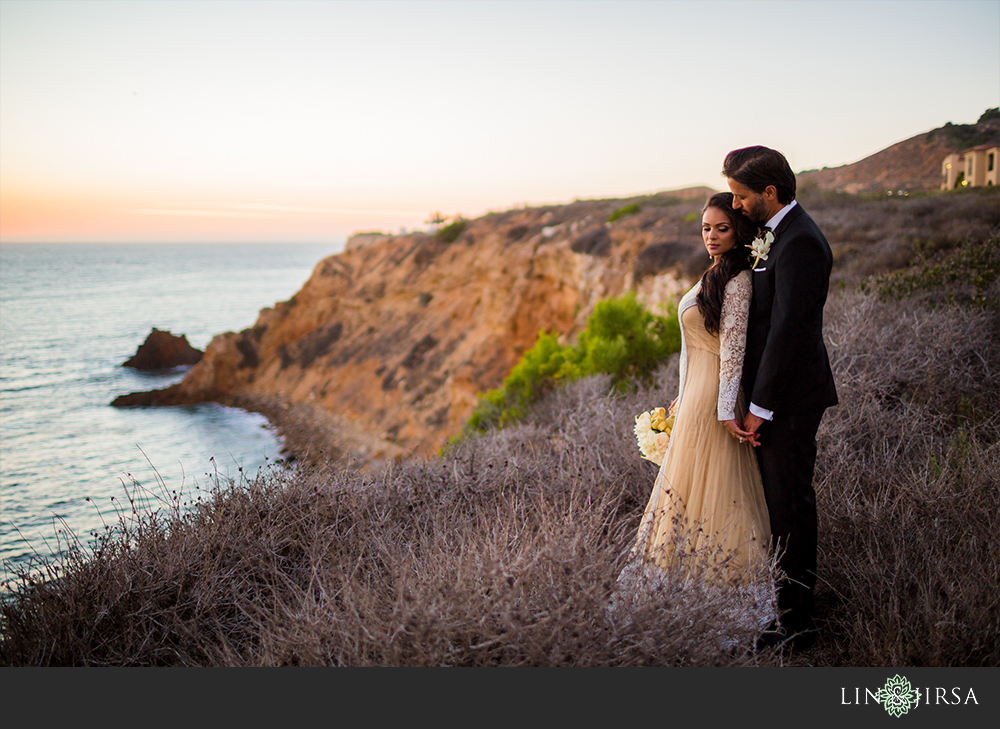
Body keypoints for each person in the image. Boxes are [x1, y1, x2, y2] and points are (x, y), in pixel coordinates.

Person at [625, 192, 772, 595]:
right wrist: (680, 395)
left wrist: (726, 410)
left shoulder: (739, 280)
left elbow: (733, 352)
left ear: (739, 230)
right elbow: (691, 346)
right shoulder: (715, 272)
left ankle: (721, 590)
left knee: (717, 490)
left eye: (721, 229)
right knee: (686, 493)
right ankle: (683, 586)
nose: (711, 235)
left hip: (713, 396)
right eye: (706, 228)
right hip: (695, 394)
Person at [722, 145, 838, 651]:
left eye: (741, 195)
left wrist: (759, 406)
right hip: (774, 398)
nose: (736, 205)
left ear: (769, 192)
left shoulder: (801, 243)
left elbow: (790, 331)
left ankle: (798, 626)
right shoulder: (774, 235)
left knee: (790, 509)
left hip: (788, 402)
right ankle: (782, 611)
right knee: (776, 508)